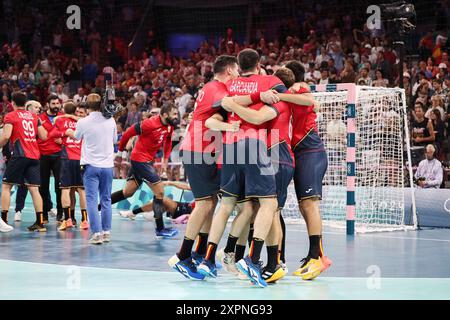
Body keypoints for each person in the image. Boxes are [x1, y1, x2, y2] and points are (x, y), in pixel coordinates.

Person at [167, 55, 241, 280]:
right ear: (228, 70)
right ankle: (182, 256)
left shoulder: (211, 87)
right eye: (237, 70)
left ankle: (199, 252)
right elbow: (228, 105)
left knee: (210, 202)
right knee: (204, 204)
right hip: (199, 148)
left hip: (205, 149)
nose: (238, 74)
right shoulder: (217, 88)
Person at [112, 103, 179, 238]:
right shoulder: (148, 124)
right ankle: (160, 229)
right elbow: (127, 134)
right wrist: (119, 153)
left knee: (127, 192)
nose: (176, 117)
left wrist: (165, 161)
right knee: (160, 191)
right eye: (174, 114)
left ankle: (96, 209)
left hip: (148, 161)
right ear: (164, 114)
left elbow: (168, 142)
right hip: (139, 159)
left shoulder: (170, 126)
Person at [66, 93, 117, 244]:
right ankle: (106, 232)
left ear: (87, 106)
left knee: (92, 200)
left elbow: (76, 136)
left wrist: (69, 132)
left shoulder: (83, 122)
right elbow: (114, 140)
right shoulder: (111, 120)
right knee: (106, 199)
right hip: (107, 166)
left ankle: (96, 234)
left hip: (91, 166)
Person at [0, 92, 47, 233]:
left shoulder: (11, 116)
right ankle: (40, 222)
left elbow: (6, 136)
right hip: (34, 156)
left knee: (7, 186)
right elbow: (44, 136)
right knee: (34, 189)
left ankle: (3, 220)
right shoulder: (34, 117)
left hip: (20, 155)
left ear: (12, 103)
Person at [50, 101, 88, 231]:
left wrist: (63, 133)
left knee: (65, 189)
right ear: (75, 111)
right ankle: (84, 220)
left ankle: (67, 220)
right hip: (81, 160)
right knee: (81, 190)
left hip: (67, 159)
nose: (78, 114)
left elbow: (51, 135)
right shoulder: (85, 123)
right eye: (77, 112)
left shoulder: (61, 121)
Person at [38, 94, 63, 223]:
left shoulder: (63, 117)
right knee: (43, 186)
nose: (55, 106)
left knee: (59, 186)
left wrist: (62, 140)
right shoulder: (40, 118)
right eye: (53, 104)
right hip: (43, 155)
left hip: (59, 155)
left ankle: (60, 213)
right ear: (48, 104)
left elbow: (70, 134)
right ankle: (45, 215)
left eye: (57, 103)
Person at [119, 180, 194, 221]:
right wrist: (169, 183)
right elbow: (187, 187)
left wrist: (187, 216)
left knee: (161, 199)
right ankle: (154, 213)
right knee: (159, 201)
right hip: (186, 205)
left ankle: (132, 213)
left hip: (189, 211)